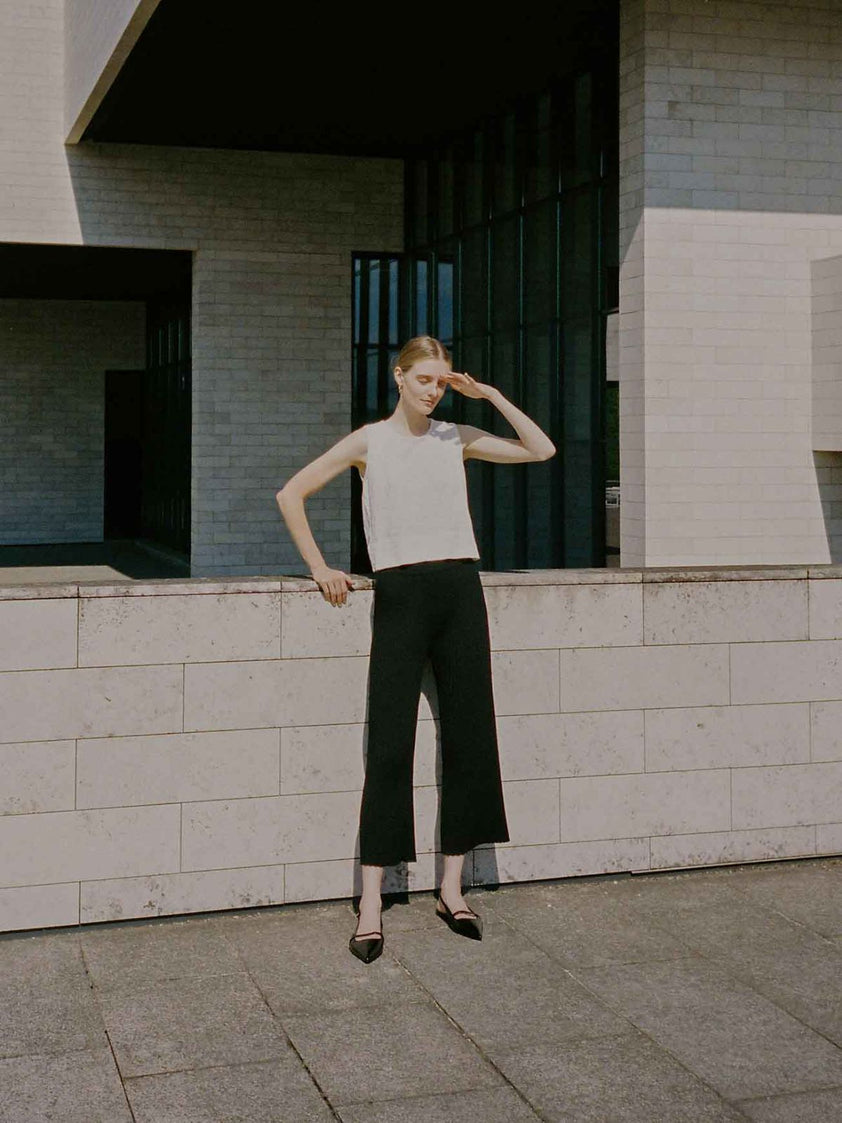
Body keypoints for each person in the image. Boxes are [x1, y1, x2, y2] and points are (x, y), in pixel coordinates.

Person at [276, 335, 556, 963]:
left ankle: (452, 889)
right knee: (390, 744)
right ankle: (371, 902)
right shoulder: (369, 441)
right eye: (424, 379)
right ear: (398, 377)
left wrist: (489, 396)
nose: (433, 390)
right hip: (400, 594)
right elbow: (290, 494)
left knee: (470, 735)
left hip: (460, 590)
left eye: (441, 380)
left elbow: (541, 449)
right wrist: (320, 566)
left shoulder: (456, 438)